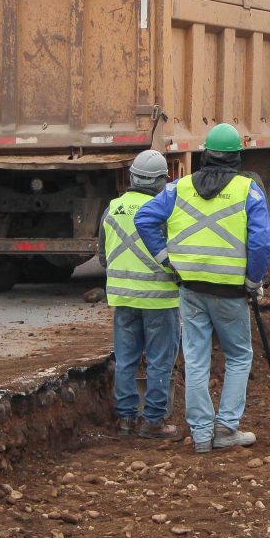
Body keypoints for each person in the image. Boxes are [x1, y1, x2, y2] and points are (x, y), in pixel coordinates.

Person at [134, 123, 270, 454]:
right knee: (239, 356)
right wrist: (254, 280)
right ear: (237, 158)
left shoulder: (177, 189)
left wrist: (167, 259)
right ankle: (225, 428)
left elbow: (144, 219)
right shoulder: (248, 191)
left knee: (196, 359)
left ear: (205, 155)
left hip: (191, 287)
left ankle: (200, 435)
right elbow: (261, 242)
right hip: (230, 291)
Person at [98, 149, 181, 440]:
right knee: (159, 360)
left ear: (132, 176)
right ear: (162, 181)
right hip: (160, 299)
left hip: (124, 300)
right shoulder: (166, 211)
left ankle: (125, 419)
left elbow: (103, 257)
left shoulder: (112, 209)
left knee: (126, 360)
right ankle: (154, 421)